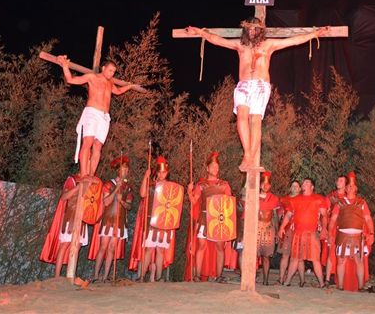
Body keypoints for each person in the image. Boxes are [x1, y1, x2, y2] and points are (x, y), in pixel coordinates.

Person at [185, 20, 328, 171]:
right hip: (244, 85)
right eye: (250, 29)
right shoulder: (241, 45)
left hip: (260, 86)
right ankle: (247, 154)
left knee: (255, 120)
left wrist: (315, 33)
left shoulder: (269, 45)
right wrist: (200, 32)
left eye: (255, 29)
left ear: (261, 30)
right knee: (241, 117)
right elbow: (218, 40)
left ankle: (250, 158)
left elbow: (293, 41)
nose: (252, 31)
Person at [57, 56, 138, 178]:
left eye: (114, 72)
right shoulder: (92, 77)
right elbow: (71, 80)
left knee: (98, 146)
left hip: (104, 117)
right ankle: (84, 173)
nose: (112, 73)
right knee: (88, 142)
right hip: (92, 113)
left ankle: (91, 174)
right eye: (110, 70)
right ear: (103, 68)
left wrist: (130, 86)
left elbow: (118, 91)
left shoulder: (110, 83)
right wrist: (65, 66)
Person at [40, 168, 96, 278]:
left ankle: (70, 275)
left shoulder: (91, 181)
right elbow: (64, 197)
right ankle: (57, 276)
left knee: (77, 246)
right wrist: (78, 188)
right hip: (71, 216)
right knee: (64, 245)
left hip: (83, 218)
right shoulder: (72, 179)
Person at [187, 152, 234, 283]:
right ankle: (196, 275)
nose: (215, 169)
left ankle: (219, 276)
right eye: (213, 166)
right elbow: (194, 201)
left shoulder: (224, 185)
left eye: (217, 166)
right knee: (201, 246)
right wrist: (189, 191)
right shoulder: (201, 185)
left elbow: (229, 204)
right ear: (207, 168)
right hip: (204, 218)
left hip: (219, 220)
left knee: (220, 247)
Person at [129, 155, 177, 282]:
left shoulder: (171, 188)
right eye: (160, 172)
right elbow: (142, 194)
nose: (162, 175)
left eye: (164, 172)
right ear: (157, 172)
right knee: (149, 249)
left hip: (164, 222)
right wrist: (146, 176)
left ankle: (159, 277)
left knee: (160, 250)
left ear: (167, 173)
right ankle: (142, 276)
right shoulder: (151, 185)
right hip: (151, 221)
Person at [89, 156, 133, 282]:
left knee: (112, 249)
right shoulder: (109, 184)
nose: (125, 171)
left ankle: (106, 276)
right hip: (108, 219)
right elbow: (106, 202)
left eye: (126, 169)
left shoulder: (128, 188)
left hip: (119, 221)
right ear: (118, 170)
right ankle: (96, 275)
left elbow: (129, 206)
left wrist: (122, 202)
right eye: (123, 169)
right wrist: (115, 191)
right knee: (103, 246)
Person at [328, 171, 374, 291]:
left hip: (357, 236)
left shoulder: (362, 203)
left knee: (359, 261)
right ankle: (341, 286)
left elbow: (368, 219)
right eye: (348, 185)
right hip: (342, 235)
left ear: (356, 188)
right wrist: (329, 233)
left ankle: (360, 287)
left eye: (353, 185)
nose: (350, 187)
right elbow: (332, 220)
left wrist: (372, 233)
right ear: (346, 188)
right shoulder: (340, 203)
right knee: (341, 260)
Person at [278, 177, 328, 288]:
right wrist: (282, 227)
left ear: (312, 186)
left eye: (307, 182)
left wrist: (324, 228)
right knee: (295, 258)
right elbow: (288, 215)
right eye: (303, 182)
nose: (304, 184)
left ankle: (322, 283)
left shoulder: (318, 199)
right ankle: (287, 282)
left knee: (316, 259)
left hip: (312, 234)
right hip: (298, 233)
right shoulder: (295, 199)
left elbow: (324, 215)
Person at [254, 171, 281, 285]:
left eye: (268, 184)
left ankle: (265, 280)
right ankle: (252, 279)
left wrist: (277, 231)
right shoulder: (253, 196)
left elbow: (274, 216)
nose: (265, 186)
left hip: (268, 228)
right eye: (263, 183)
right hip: (256, 227)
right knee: (254, 256)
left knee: (266, 256)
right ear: (259, 184)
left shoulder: (274, 198)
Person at [277, 180, 303, 285]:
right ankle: (281, 278)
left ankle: (302, 280)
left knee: (299, 257)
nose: (294, 188)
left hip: (299, 230)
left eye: (297, 186)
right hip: (287, 230)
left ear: (300, 189)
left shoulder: (303, 199)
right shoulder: (284, 199)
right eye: (293, 186)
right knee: (285, 255)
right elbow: (280, 214)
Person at [323, 175, 347, 285]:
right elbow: (325, 212)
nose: (338, 182)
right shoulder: (331, 196)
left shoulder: (349, 197)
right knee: (330, 253)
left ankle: (341, 279)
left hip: (345, 228)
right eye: (337, 179)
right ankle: (328, 278)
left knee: (343, 254)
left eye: (341, 180)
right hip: (333, 227)